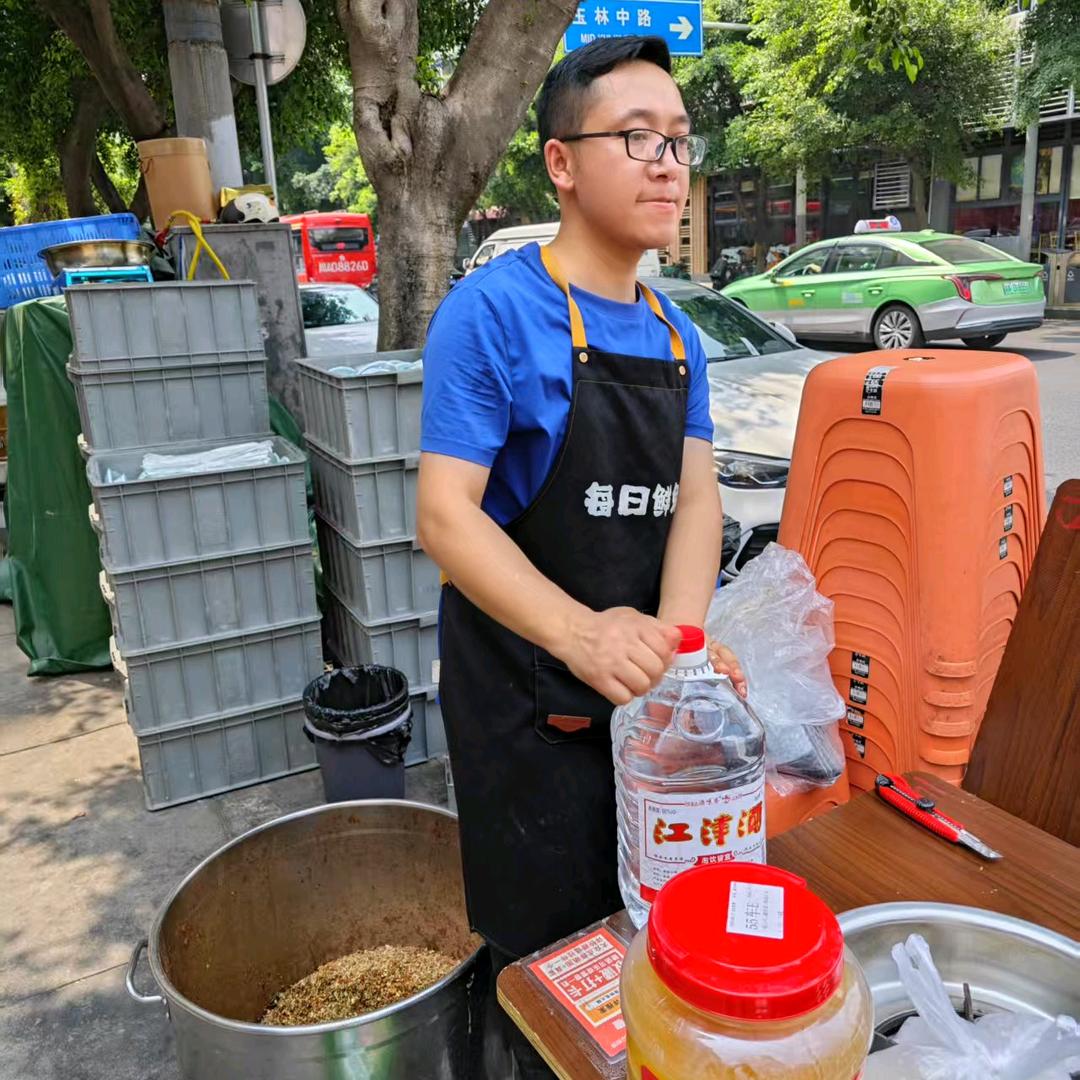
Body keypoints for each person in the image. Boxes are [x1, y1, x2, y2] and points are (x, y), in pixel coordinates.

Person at [417, 36, 745, 1077]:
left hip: (638, 697)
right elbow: (445, 516)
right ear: (562, 163)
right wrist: (581, 632)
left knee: (650, 930)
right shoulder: (493, 313)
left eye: (681, 141)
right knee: (545, 961)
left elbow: (696, 499)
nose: (667, 163)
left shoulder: (678, 335)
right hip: (524, 695)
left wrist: (684, 647)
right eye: (636, 136)